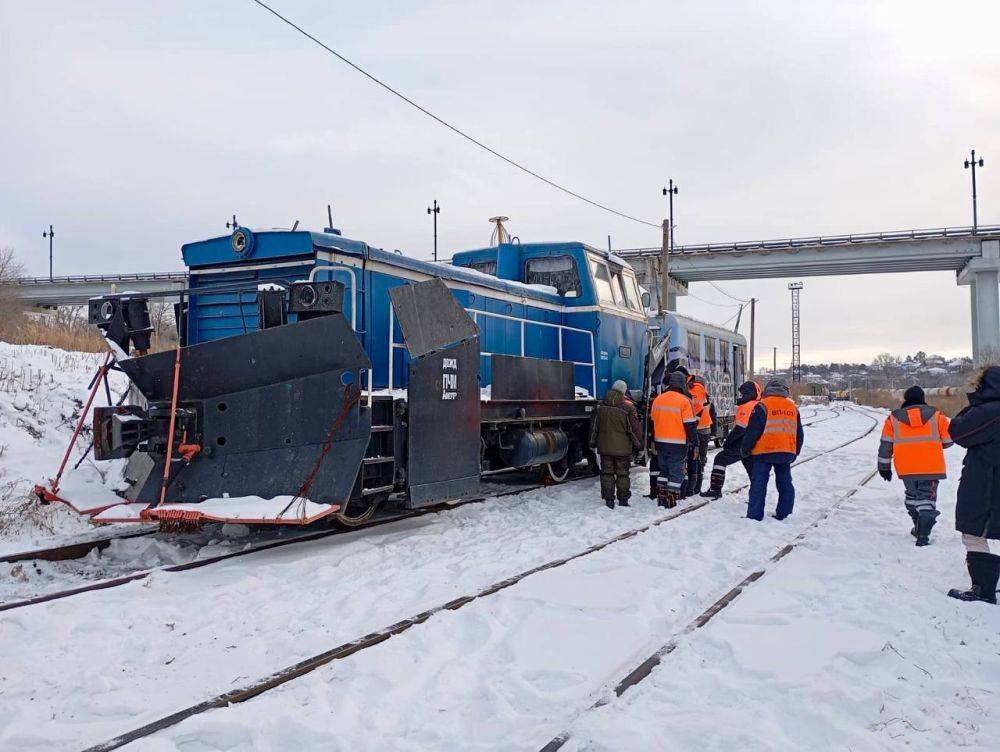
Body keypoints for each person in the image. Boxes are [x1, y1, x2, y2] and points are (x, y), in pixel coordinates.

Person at [946, 366, 1000, 605]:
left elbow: (958, 431)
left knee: (974, 530)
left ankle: (983, 589)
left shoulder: (990, 411)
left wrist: (976, 402)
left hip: (987, 482)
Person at [877, 385, 953, 546]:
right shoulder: (937, 416)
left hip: (906, 468)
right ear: (923, 399)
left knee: (912, 497)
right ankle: (923, 535)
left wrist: (884, 467)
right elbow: (948, 441)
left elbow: (885, 446)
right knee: (927, 499)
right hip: (932, 467)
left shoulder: (893, 419)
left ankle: (918, 526)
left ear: (905, 399)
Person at [741, 378, 804, 521]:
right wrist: (795, 452)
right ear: (785, 390)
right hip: (786, 452)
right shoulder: (793, 408)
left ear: (768, 389)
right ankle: (784, 513)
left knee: (759, 484)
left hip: (763, 452)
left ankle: (755, 515)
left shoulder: (762, 406)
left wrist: (745, 449)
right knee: (785, 483)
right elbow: (799, 433)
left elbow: (753, 431)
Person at [701, 380, 762, 499]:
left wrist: (728, 442)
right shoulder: (757, 404)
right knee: (752, 470)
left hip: (743, 443)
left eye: (742, 394)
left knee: (720, 459)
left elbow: (740, 429)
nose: (741, 397)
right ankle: (756, 496)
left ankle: (715, 489)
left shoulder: (747, 406)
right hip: (754, 443)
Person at [590, 379, 642, 509]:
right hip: (623, 449)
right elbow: (634, 430)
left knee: (606, 473)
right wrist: (638, 446)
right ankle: (623, 500)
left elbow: (594, 427)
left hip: (605, 447)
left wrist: (592, 443)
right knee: (622, 474)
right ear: (624, 392)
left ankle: (609, 500)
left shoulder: (600, 406)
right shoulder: (628, 407)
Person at [651, 371, 698, 508]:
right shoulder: (684, 401)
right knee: (676, 474)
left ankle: (661, 499)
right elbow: (690, 426)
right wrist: (695, 443)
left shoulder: (658, 399)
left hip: (660, 443)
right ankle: (671, 502)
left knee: (663, 471)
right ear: (682, 384)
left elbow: (653, 423)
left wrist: (653, 441)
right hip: (677, 444)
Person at [686, 373, 713, 496]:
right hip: (706, 429)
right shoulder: (706, 393)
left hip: (696, 429)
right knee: (701, 459)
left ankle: (692, 489)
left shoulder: (694, 389)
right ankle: (697, 488)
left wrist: (692, 424)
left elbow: (696, 409)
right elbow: (713, 413)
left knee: (694, 459)